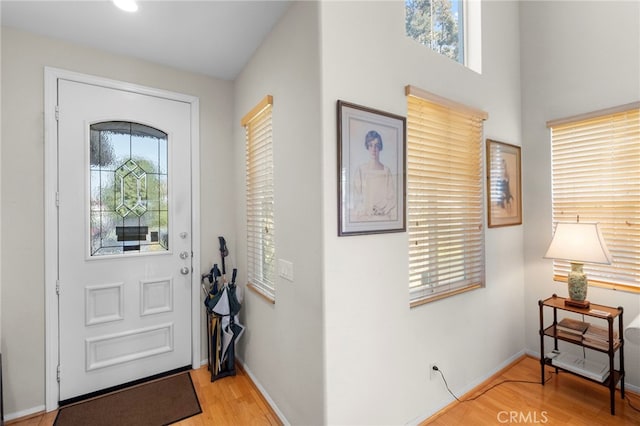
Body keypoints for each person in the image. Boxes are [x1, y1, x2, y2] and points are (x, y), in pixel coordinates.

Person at [351, 130, 396, 221]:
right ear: (367, 147)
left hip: (383, 217)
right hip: (365, 217)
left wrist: (383, 210)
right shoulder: (361, 170)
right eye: (371, 145)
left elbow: (392, 198)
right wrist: (366, 209)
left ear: (380, 148)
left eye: (376, 145)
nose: (374, 149)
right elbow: (356, 196)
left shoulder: (386, 171)